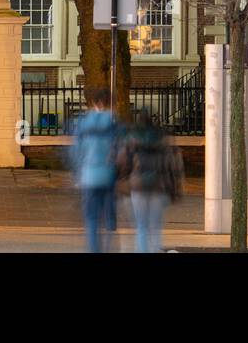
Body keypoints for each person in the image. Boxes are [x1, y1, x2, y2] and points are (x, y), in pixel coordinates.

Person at [118, 108, 184, 253]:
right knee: (155, 227)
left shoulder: (132, 138)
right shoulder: (162, 137)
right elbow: (172, 165)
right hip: (158, 186)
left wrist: (123, 180)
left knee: (141, 227)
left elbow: (124, 163)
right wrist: (175, 188)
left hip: (138, 185)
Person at [70, 88, 121, 253]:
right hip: (108, 175)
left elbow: (76, 151)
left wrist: (77, 173)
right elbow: (120, 150)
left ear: (92, 103)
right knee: (109, 219)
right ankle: (108, 246)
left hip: (89, 175)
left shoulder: (83, 123)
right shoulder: (113, 123)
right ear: (109, 103)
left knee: (91, 217)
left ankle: (94, 250)